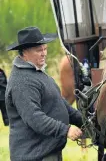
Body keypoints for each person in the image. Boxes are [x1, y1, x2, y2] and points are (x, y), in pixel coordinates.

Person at [5, 26, 83, 161]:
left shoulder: (37, 72)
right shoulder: (22, 81)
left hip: (48, 152)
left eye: (45, 49)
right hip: (34, 156)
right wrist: (65, 130)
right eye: (38, 50)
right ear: (24, 53)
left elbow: (60, 103)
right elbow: (35, 118)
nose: (44, 53)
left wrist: (85, 122)